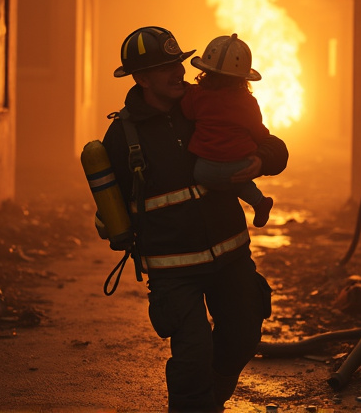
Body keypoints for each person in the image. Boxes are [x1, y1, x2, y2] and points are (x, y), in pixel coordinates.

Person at [100, 26, 289, 412]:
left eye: (178, 63)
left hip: (231, 258)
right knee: (193, 354)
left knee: (242, 337)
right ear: (141, 78)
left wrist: (260, 160)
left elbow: (273, 146)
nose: (178, 73)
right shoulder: (121, 136)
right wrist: (108, 223)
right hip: (174, 269)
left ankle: (210, 399)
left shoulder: (206, 106)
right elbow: (111, 208)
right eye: (164, 67)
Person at [180, 33, 274, 228]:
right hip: (239, 163)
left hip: (205, 169)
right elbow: (257, 130)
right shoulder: (248, 102)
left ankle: (228, 193)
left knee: (202, 177)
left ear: (205, 71)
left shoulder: (196, 95)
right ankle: (259, 202)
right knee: (240, 181)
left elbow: (187, 113)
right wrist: (261, 156)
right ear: (242, 79)